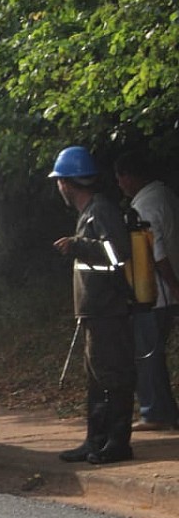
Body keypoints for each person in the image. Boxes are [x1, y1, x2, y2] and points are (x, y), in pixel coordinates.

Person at [50, 145, 136, 464]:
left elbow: (118, 253)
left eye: (59, 181)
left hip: (109, 311)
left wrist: (78, 245)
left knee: (113, 376)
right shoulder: (87, 213)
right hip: (95, 312)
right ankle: (95, 441)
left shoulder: (101, 210)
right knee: (97, 379)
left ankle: (117, 442)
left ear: (68, 183)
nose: (58, 186)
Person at [115, 151, 179, 431]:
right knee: (154, 354)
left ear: (128, 177)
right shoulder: (165, 196)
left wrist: (174, 286)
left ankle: (155, 412)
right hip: (166, 290)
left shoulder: (143, 207)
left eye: (120, 179)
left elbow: (157, 251)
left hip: (156, 293)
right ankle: (163, 409)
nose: (119, 185)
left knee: (147, 354)